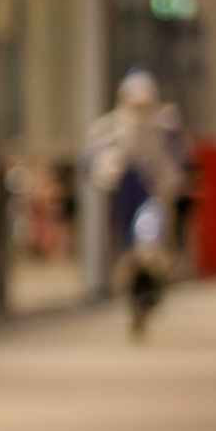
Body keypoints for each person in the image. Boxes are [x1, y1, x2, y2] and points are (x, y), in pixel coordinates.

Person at [82, 69, 191, 337]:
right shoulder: (110, 128)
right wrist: (105, 167)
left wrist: (173, 178)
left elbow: (182, 163)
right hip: (123, 201)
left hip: (151, 198)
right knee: (127, 259)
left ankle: (150, 291)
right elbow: (88, 160)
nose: (140, 111)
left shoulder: (165, 128)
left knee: (149, 245)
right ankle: (137, 300)